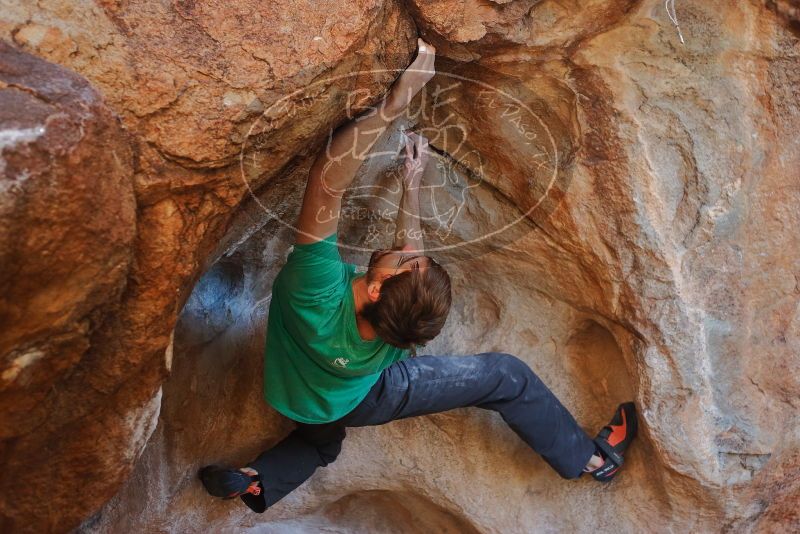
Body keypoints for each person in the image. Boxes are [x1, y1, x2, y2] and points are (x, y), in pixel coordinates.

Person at [200, 39, 637, 512]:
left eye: (406, 262)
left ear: (375, 287)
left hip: (293, 393)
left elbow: (328, 180)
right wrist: (412, 185)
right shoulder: (397, 331)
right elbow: (407, 274)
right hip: (352, 399)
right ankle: (593, 461)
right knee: (502, 378)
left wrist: (395, 103)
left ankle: (258, 480)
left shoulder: (315, 289)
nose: (408, 252)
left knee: (328, 438)